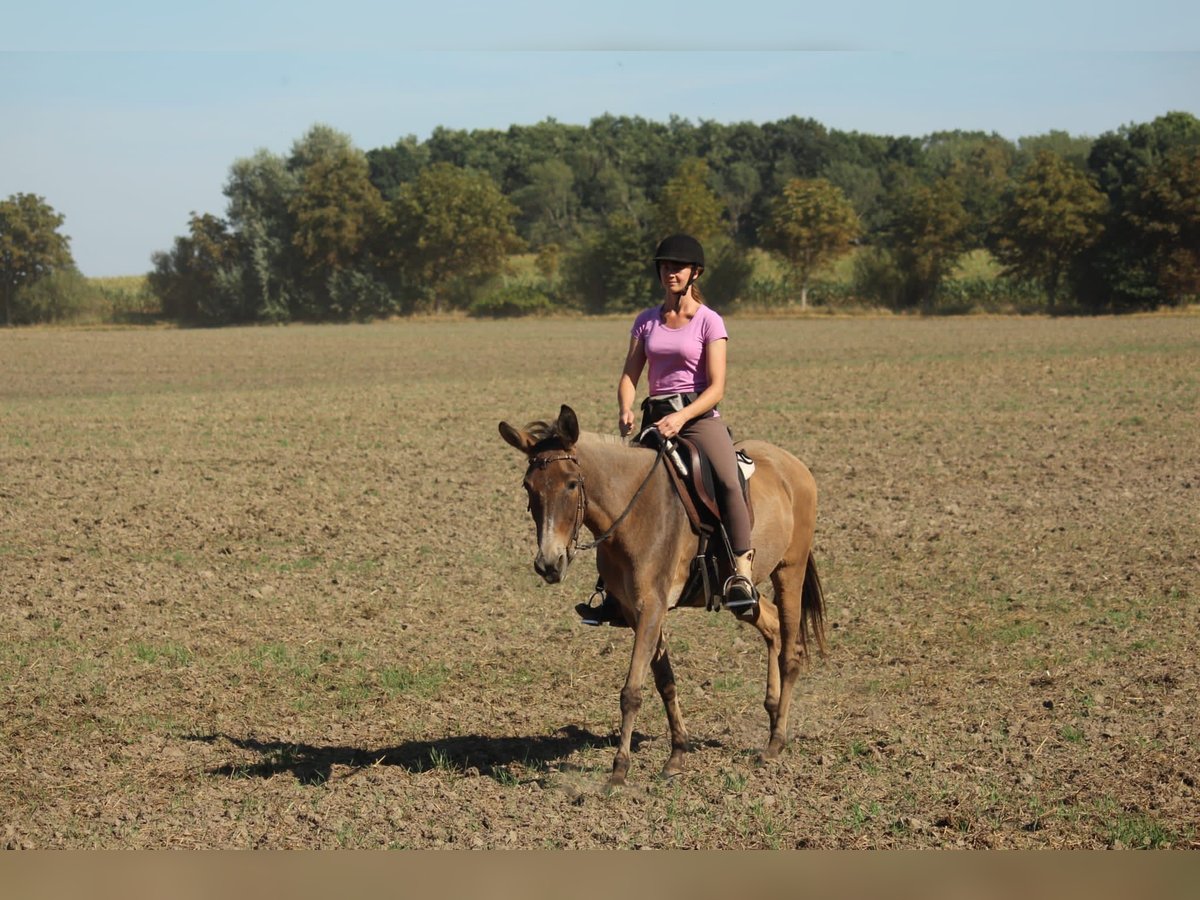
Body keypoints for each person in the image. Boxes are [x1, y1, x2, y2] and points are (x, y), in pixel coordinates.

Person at [577, 233, 757, 625]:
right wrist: (626, 407)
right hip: (655, 419)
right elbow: (629, 375)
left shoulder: (710, 321)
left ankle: (741, 574)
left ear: (695, 273)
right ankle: (611, 590)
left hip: (697, 419)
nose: (669, 273)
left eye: (677, 267)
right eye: (664, 267)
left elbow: (717, 387)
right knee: (615, 494)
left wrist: (683, 417)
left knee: (727, 479)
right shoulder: (646, 321)